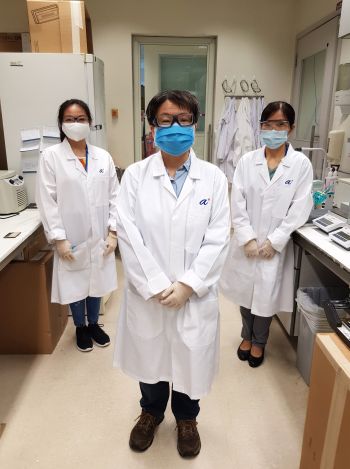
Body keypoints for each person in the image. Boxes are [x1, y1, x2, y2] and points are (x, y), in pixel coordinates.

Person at [114, 90, 230, 458]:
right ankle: (150, 412)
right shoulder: (135, 176)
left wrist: (187, 285)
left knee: (190, 357)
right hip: (149, 293)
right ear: (152, 127)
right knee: (150, 358)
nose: (175, 127)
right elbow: (128, 234)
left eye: (183, 119)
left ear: (196, 124)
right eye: (165, 120)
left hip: (193, 296)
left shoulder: (212, 178)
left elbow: (218, 237)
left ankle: (187, 418)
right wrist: (157, 285)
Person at [220, 101, 313, 368]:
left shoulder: (300, 165)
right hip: (247, 244)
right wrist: (247, 238)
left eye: (280, 124)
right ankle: (245, 337)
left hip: (275, 245)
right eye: (268, 124)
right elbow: (236, 200)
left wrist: (276, 240)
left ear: (291, 129)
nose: (273, 129)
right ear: (260, 127)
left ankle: (259, 342)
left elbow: (301, 206)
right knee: (245, 293)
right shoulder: (248, 161)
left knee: (265, 298)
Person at [36, 99, 119, 352]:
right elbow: (46, 199)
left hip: (100, 235)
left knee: (96, 281)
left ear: (90, 123)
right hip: (71, 234)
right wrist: (59, 238)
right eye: (70, 119)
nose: (76, 123)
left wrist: (113, 232)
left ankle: (94, 324)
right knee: (76, 283)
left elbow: (116, 196)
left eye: (81, 118)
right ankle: (80, 328)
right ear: (62, 124)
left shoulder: (103, 157)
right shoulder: (51, 157)